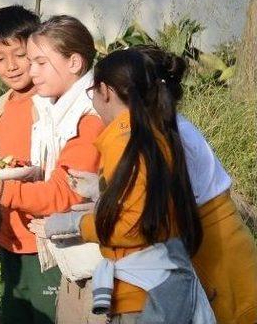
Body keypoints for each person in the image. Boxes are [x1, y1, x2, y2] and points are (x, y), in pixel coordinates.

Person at [67, 45, 257, 323]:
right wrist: (102, 188)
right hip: (203, 245)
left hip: (217, 255)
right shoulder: (160, 128)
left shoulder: (162, 134)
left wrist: (81, 224)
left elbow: (145, 210)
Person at [37, 48, 215, 323]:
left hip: (141, 297)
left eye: (92, 92)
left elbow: (134, 224)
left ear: (105, 92)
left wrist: (75, 224)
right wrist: (103, 192)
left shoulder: (125, 142)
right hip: (151, 288)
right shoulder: (153, 134)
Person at [0, 14, 105, 323]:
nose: (21, 68)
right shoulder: (1, 109)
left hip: (49, 240)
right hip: (9, 237)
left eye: (33, 60)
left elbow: (62, 190)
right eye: (2, 58)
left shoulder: (78, 111)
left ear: (73, 62)